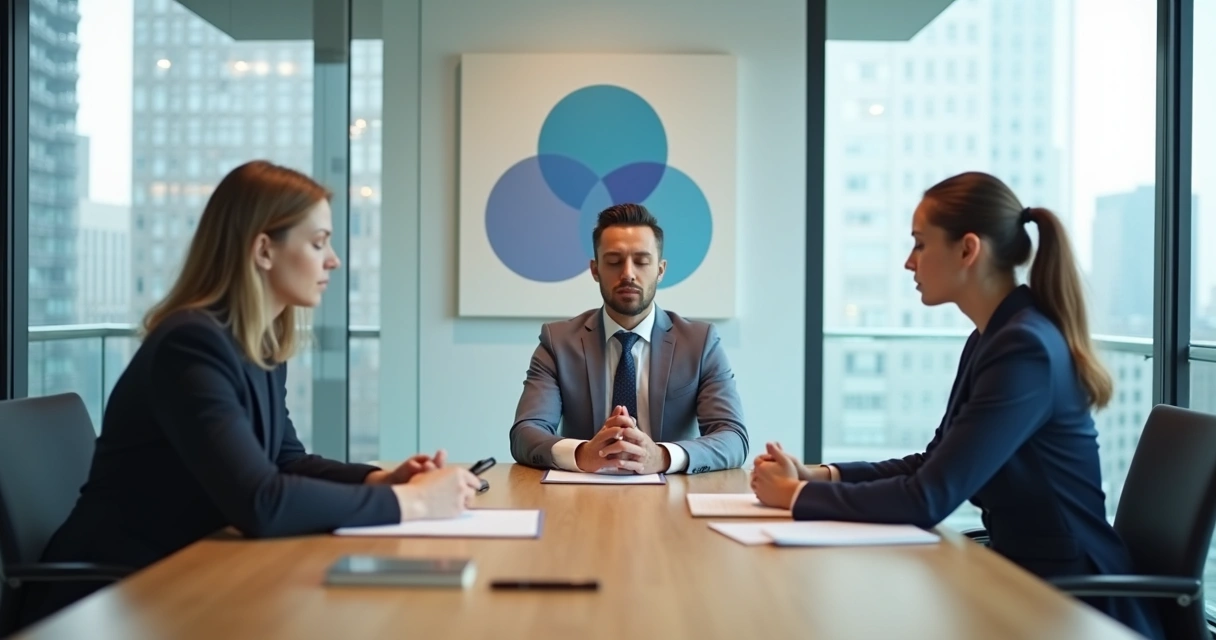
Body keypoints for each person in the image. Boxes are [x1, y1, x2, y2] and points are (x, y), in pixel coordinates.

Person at [19, 161, 481, 626]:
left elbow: (285, 461)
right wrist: (417, 503)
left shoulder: (257, 345)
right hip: (116, 597)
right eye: (319, 242)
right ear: (263, 249)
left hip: (191, 576)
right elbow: (261, 503)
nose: (334, 260)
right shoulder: (190, 345)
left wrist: (380, 482)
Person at [750, 171, 1164, 639]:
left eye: (920, 244)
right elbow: (933, 463)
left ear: (968, 250)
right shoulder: (993, 336)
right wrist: (818, 475)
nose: (909, 262)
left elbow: (928, 498)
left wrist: (793, 496)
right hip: (1024, 581)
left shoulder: (1023, 348)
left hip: (1073, 604)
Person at [509, 203, 748, 475]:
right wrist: (581, 453)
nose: (628, 274)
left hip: (672, 498)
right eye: (613, 261)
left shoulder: (700, 343)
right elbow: (525, 433)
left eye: (642, 261)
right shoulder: (558, 342)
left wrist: (663, 457)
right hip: (583, 496)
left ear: (660, 269)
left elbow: (732, 437)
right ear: (595, 269)